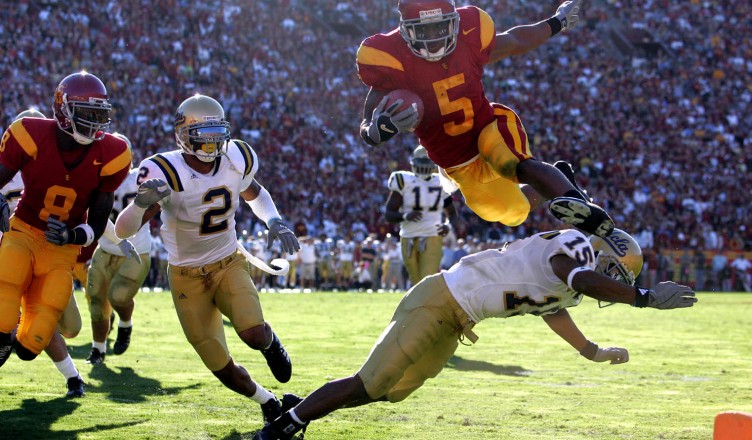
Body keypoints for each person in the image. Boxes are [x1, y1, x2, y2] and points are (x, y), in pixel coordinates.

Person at [255, 228, 697, 439]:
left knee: (389, 392)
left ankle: (302, 407)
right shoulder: (574, 252)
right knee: (372, 380)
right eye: (613, 274)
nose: (611, 283)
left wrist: (591, 351)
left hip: (460, 320)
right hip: (440, 298)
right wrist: (640, 297)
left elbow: (553, 309)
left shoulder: (574, 281)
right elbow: (579, 277)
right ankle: (285, 426)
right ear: (601, 256)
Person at [356, 0, 614, 239]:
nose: (434, 39)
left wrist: (559, 21)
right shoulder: (389, 58)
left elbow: (515, 41)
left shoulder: (469, 38)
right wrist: (376, 130)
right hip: (457, 162)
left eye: (440, 27)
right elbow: (368, 122)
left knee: (510, 163)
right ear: (404, 30)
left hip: (488, 126)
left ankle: (581, 206)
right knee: (512, 213)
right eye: (424, 31)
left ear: (454, 22)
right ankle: (558, 177)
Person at [114, 94, 301, 424]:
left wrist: (273, 219)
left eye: (217, 136)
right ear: (184, 136)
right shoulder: (165, 169)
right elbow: (123, 228)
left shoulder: (237, 157)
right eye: (204, 138)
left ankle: (272, 344)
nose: (212, 146)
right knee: (219, 365)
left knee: (253, 332)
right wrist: (140, 204)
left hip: (228, 260)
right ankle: (267, 400)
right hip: (185, 274)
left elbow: (255, 192)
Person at [0, 73, 130, 370]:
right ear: (63, 109)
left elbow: (97, 222)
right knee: (2, 311)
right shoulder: (29, 133)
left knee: (33, 342)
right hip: (23, 231)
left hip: (61, 251)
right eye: (86, 114)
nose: (94, 123)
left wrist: (71, 236)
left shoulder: (113, 153)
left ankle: (19, 339)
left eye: (99, 115)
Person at [1, 107, 86, 397]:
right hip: (11, 248)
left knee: (68, 326)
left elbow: (85, 209)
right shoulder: (7, 167)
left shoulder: (60, 170)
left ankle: (72, 375)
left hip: (49, 256)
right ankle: (74, 378)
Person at [85, 133, 151, 365]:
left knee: (118, 296)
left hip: (136, 251)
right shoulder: (95, 179)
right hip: (104, 250)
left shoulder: (138, 179)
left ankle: (125, 324)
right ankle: (98, 349)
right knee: (95, 301)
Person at [385, 145, 456, 286]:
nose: (423, 166)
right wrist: (405, 216)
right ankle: (421, 307)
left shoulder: (441, 181)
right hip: (408, 236)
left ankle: (427, 307)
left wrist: (448, 226)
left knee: (426, 281)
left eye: (426, 162)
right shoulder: (403, 180)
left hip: (432, 234)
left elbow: (452, 214)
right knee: (416, 281)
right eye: (421, 162)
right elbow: (388, 214)